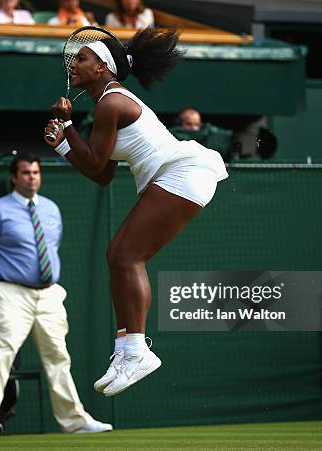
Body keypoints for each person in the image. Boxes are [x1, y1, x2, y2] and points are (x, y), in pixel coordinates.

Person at [43, 28, 228, 397]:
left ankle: (138, 350)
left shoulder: (110, 103)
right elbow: (103, 174)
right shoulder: (106, 105)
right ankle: (128, 349)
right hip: (176, 176)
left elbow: (95, 163)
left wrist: (66, 127)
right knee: (117, 255)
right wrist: (66, 143)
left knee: (128, 256)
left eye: (82, 58)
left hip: (182, 172)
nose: (73, 63)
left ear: (102, 68)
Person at [0, 155, 113, 438]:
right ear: (14, 177)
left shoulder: (52, 209)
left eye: (35, 172)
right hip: (10, 294)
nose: (32, 177)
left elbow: (51, 248)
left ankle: (75, 421)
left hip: (49, 296)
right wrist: (7, 276)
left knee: (58, 357)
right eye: (25, 172)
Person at [168, 107, 234, 160]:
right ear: (180, 123)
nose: (193, 128)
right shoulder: (171, 134)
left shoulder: (208, 132)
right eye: (189, 124)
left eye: (196, 124)